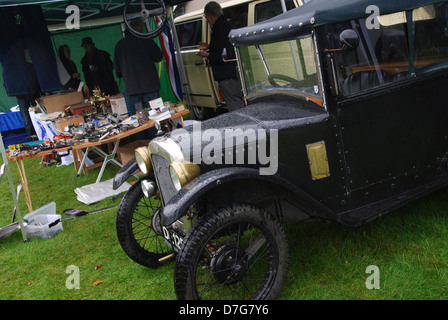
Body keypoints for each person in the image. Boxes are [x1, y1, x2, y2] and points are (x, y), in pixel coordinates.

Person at [198, 1, 244, 112]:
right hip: (231, 72)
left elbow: (227, 54)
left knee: (235, 105)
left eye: (206, 16)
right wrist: (209, 46)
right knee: (237, 102)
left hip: (227, 74)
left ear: (209, 14)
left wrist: (208, 54)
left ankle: (243, 126)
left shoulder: (221, 27)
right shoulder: (225, 25)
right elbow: (223, 46)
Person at [114, 19, 163, 115]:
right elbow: (158, 57)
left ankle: (145, 130)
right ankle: (156, 130)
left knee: (139, 120)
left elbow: (118, 71)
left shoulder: (120, 45)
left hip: (133, 89)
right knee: (156, 116)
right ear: (140, 28)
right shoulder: (146, 40)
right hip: (150, 87)